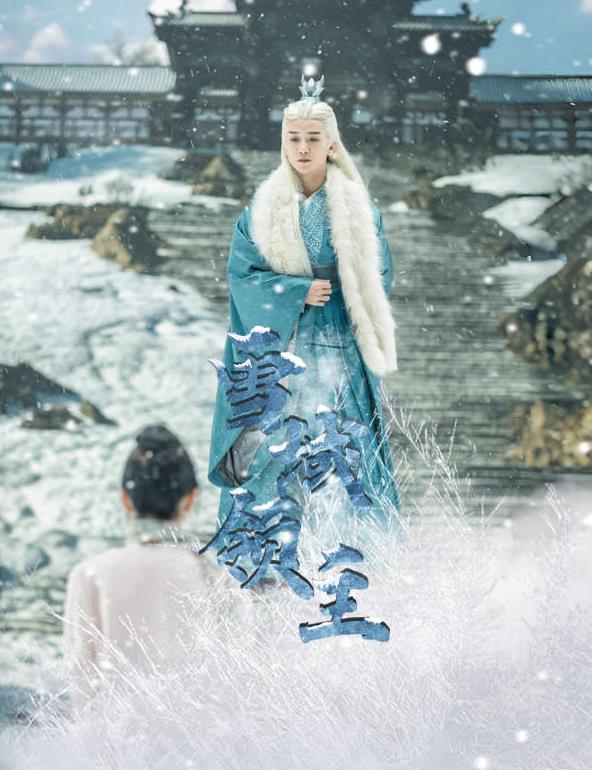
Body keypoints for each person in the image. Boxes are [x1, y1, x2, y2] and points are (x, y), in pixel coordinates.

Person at [208, 75, 403, 535]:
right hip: (285, 346)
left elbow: (379, 275)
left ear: (331, 144)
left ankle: (353, 548)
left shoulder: (359, 208)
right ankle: (268, 548)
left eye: (313, 138)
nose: (302, 147)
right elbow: (243, 277)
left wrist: (347, 288)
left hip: (338, 341)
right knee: (273, 446)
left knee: (343, 444)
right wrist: (295, 292)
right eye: (293, 137)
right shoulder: (260, 211)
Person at [63, 424, 229, 711]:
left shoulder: (89, 574)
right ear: (190, 499)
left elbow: (81, 679)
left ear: (125, 499)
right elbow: (231, 675)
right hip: (198, 730)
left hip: (114, 732)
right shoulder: (214, 574)